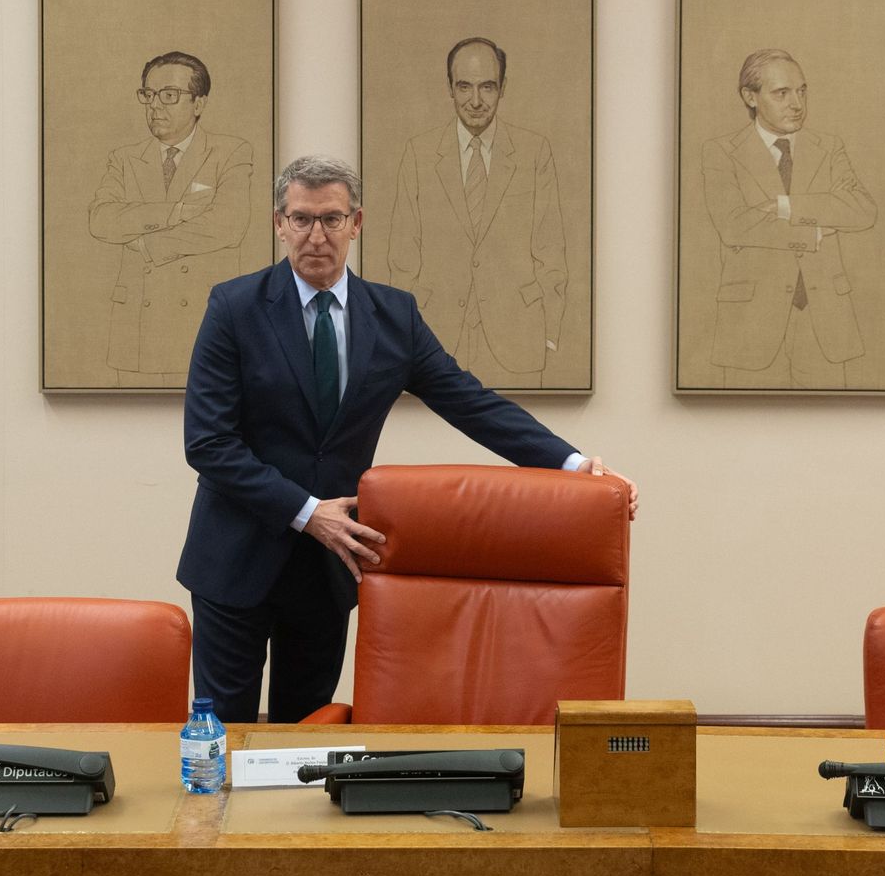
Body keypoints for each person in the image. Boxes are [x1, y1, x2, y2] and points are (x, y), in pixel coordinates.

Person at [179, 154, 636, 723]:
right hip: (235, 555)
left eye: (331, 219)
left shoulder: (393, 316)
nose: (315, 234)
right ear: (279, 223)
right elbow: (209, 442)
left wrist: (574, 466)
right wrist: (306, 511)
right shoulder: (234, 307)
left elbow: (471, 403)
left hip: (329, 565)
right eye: (301, 219)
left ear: (357, 223)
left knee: (302, 737)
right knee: (220, 739)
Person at [388, 37, 567, 388]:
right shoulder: (418, 154)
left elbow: (552, 251)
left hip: (518, 337)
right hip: (434, 337)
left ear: (503, 88)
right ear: (450, 89)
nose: (475, 100)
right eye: (464, 86)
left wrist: (549, 335)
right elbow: (402, 259)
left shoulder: (534, 153)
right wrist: (403, 341)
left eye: (487, 86)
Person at [701, 49, 876, 389]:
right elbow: (734, 224)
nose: (797, 103)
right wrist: (813, 234)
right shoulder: (721, 151)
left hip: (825, 325)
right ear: (750, 97)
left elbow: (862, 210)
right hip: (751, 326)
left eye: (802, 91)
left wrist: (786, 205)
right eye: (782, 93)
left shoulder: (829, 147)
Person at [88, 51, 253, 388]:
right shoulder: (124, 158)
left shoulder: (230, 153)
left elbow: (228, 225)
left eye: (169, 95)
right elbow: (101, 220)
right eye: (148, 94)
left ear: (199, 103)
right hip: (135, 325)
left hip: (199, 321)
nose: (155, 106)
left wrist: (146, 243)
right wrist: (174, 212)